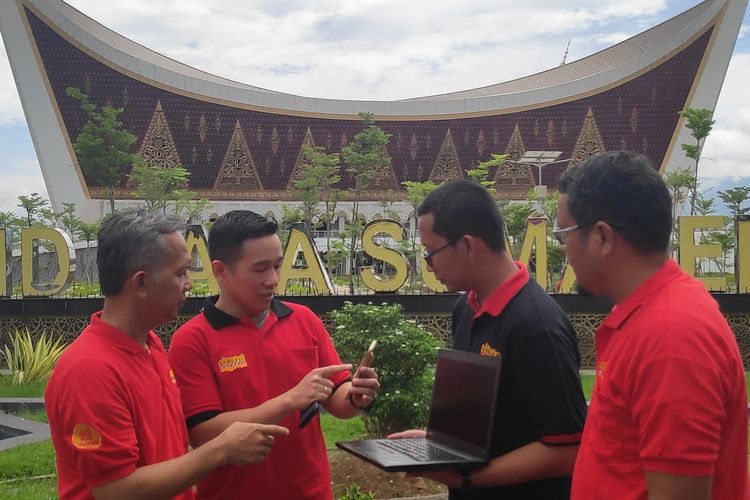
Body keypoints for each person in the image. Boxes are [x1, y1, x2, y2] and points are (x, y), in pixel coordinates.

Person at [45, 209, 289, 500]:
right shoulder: (89, 371)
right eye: (180, 273)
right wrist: (221, 449)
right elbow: (116, 490)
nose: (189, 284)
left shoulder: (151, 346)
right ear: (141, 283)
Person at [556, 151, 749, 500]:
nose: (563, 249)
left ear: (602, 237)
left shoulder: (671, 337)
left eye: (563, 234)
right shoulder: (650, 317)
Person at [390, 179, 587, 499]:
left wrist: (468, 479)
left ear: (467, 245)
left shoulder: (538, 327)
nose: (428, 265)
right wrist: (438, 443)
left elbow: (567, 450)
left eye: (430, 253)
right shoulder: (465, 308)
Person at [168, 210, 380, 500]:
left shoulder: (304, 320)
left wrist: (356, 394)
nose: (273, 279)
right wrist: (289, 400)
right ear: (220, 271)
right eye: (260, 269)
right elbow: (203, 433)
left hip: (311, 493)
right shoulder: (193, 340)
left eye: (278, 266)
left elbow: (337, 397)